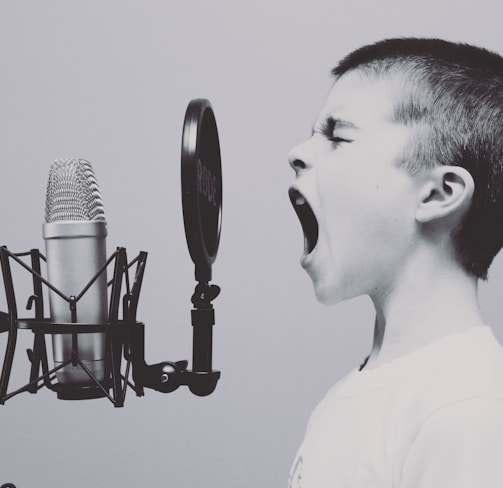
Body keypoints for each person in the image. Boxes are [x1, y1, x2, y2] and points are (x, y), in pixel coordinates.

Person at [287, 37, 503, 487]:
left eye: (337, 137)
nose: (298, 153)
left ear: (438, 193)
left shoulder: (469, 407)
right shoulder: (349, 397)